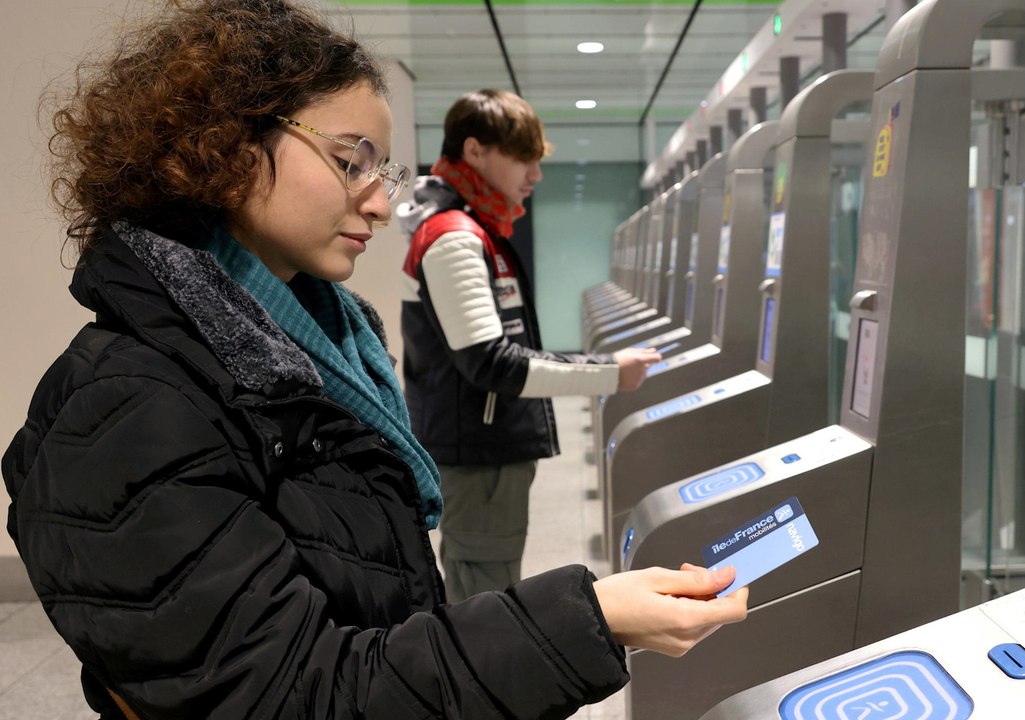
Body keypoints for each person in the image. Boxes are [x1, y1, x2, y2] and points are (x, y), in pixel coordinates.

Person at [2, 1, 747, 717]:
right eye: (350, 159)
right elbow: (303, 691)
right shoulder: (134, 407)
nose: (383, 204)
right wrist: (583, 618)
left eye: (380, 169)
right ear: (227, 146)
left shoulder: (308, 356)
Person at [396, 89, 660, 601]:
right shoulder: (454, 235)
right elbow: (490, 361)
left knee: (488, 578)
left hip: (484, 443)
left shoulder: (474, 228)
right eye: (523, 157)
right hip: (478, 451)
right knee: (484, 593)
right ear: (474, 151)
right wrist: (609, 371)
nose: (535, 174)